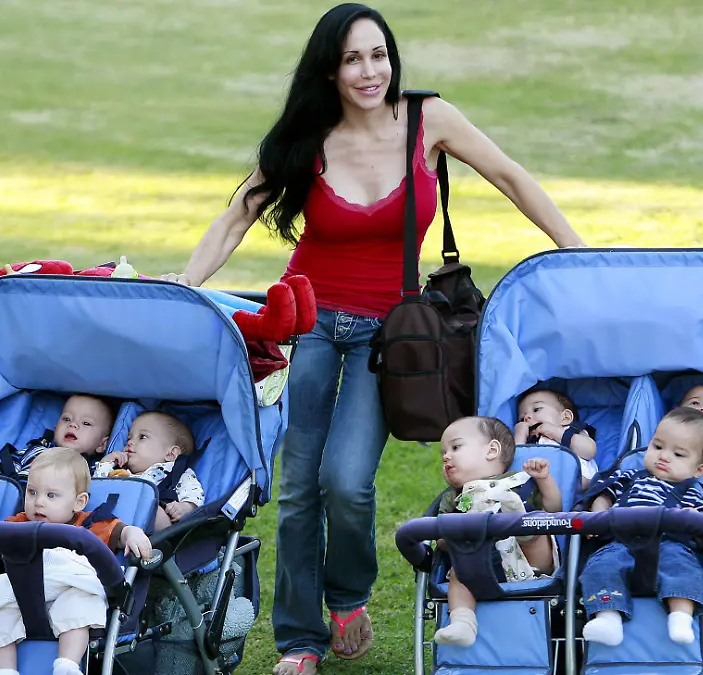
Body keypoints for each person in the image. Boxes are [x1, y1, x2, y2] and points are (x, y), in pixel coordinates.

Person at [159, 4, 586, 672]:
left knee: (348, 481)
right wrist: (185, 282)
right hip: (307, 323)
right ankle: (301, 641)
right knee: (299, 486)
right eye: (354, 58)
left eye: (379, 55)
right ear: (330, 68)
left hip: (390, 335)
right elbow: (238, 213)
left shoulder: (428, 120)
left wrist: (576, 250)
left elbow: (508, 175)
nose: (369, 71)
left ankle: (349, 597)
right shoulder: (308, 133)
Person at [0, 448, 153, 675]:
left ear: (79, 502)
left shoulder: (92, 524)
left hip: (70, 587)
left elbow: (122, 531)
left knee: (82, 604)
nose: (38, 503)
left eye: (51, 496)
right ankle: (5, 671)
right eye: (32, 492)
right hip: (24, 594)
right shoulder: (19, 523)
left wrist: (134, 533)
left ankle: (67, 665)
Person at [579, 407, 703, 647]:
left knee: (683, 568)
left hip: (669, 544)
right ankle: (608, 618)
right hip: (619, 542)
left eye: (679, 454)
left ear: (699, 470)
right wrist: (598, 515)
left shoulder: (693, 492)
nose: (664, 456)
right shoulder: (629, 477)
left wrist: (692, 519)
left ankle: (681, 617)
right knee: (601, 566)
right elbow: (603, 494)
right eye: (658, 446)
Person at [432, 417, 561, 647]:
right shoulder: (455, 497)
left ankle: (516, 521)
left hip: (529, 562)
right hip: (481, 566)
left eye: (455, 447)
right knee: (458, 573)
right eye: (443, 451)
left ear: (491, 450)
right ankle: (462, 623)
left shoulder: (521, 481)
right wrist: (458, 530)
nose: (445, 456)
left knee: (537, 524)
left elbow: (555, 509)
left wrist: (544, 480)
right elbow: (441, 540)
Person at [97, 411, 206, 529]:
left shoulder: (175, 473)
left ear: (171, 454)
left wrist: (186, 507)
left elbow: (194, 492)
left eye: (142, 437)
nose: (130, 442)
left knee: (158, 513)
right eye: (129, 438)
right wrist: (106, 462)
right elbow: (98, 486)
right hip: (115, 523)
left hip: (150, 529)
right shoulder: (122, 472)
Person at [7, 394, 115, 478]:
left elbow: (97, 487)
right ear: (56, 428)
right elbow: (6, 470)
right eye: (66, 419)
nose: (72, 424)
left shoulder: (89, 470)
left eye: (86, 423)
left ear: (102, 444)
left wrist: (106, 464)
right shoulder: (36, 449)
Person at [513, 387, 598, 487]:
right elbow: (515, 463)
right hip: (543, 488)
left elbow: (590, 451)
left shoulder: (570, 431)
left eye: (536, 409)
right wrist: (519, 435)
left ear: (565, 418)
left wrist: (556, 432)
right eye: (521, 419)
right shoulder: (528, 442)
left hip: (580, 481)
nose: (527, 417)